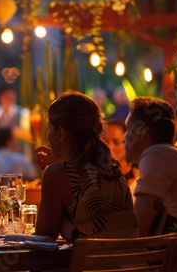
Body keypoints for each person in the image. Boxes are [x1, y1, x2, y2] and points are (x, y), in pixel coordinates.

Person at [34, 91, 137, 242]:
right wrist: (63, 163)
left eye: (49, 128)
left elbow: (44, 239)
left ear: (61, 133)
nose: (48, 135)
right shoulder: (113, 169)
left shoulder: (56, 175)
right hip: (131, 263)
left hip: (89, 265)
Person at [123, 97, 177, 239]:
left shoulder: (156, 155)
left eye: (127, 129)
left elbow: (137, 234)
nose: (123, 138)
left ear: (140, 131)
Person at [0, 127, 38, 195]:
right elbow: (34, 179)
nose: (18, 142)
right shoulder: (19, 158)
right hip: (12, 200)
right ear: (9, 142)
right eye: (15, 139)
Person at [106, 118, 139, 202]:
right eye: (105, 141)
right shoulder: (96, 178)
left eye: (116, 142)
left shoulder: (140, 180)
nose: (109, 147)